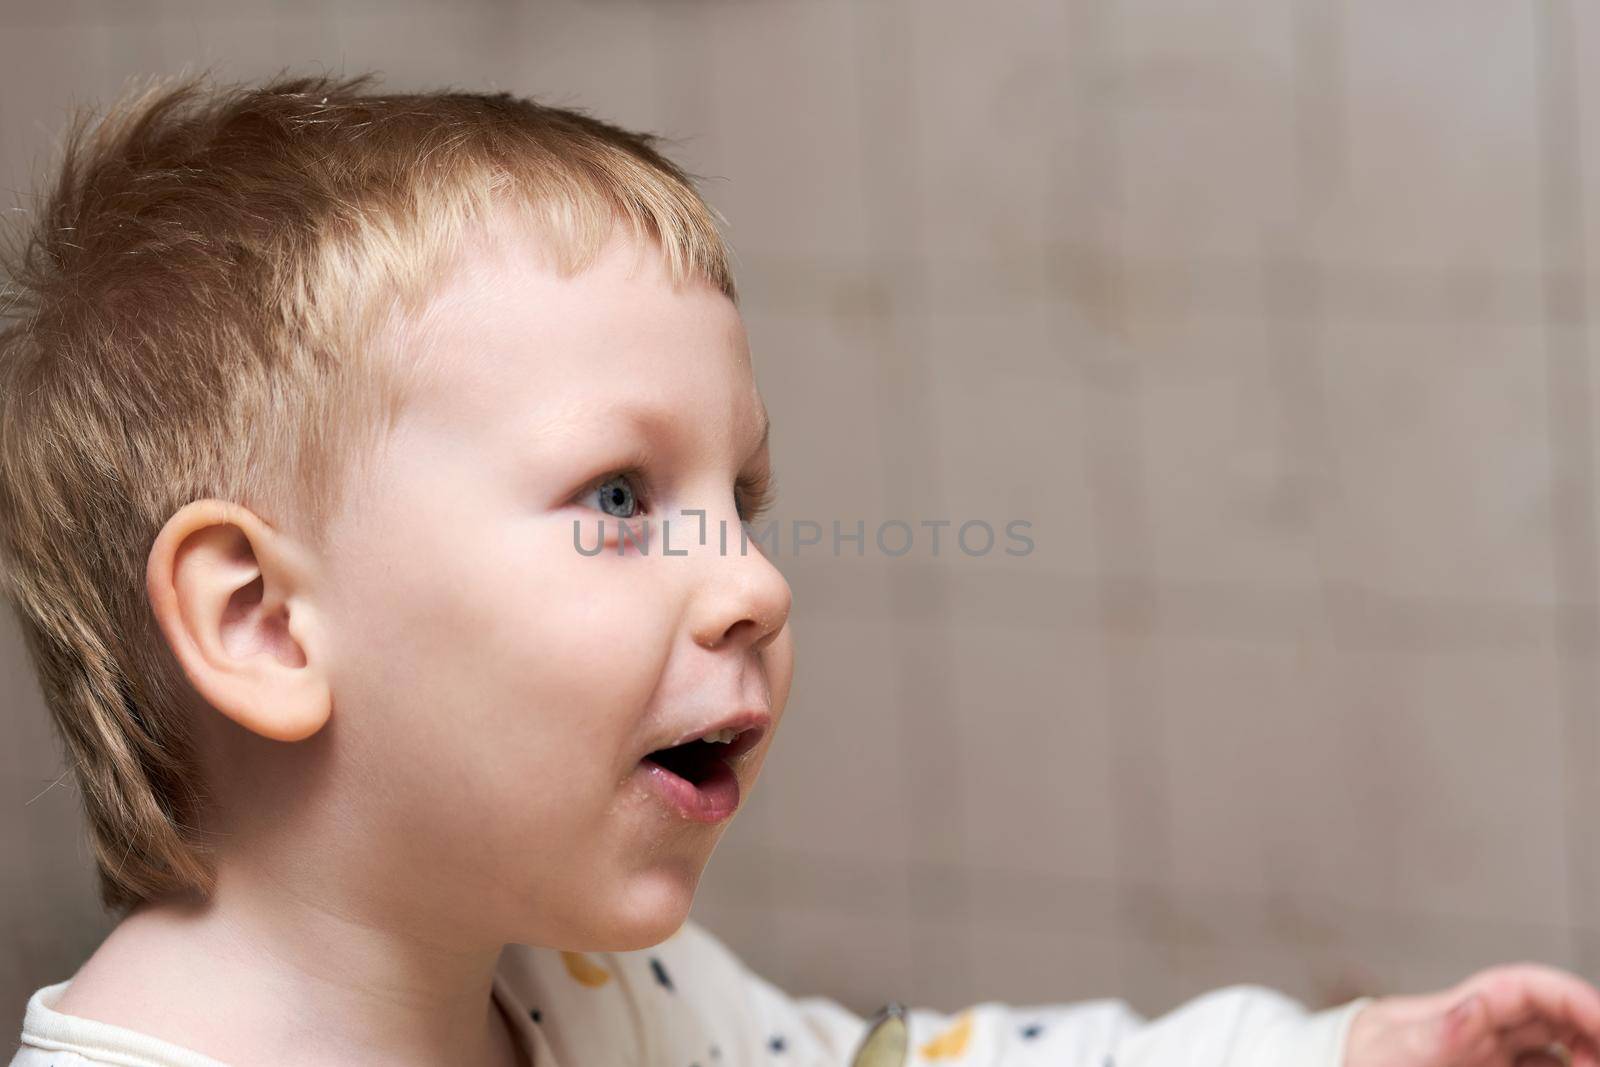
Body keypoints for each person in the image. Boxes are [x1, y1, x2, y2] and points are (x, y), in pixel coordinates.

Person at [2, 70, 1596, 1067]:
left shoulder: (597, 1005)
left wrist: (1335, 1052)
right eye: (619, 494)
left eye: (742, 494)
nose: (754, 581)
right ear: (267, 623)